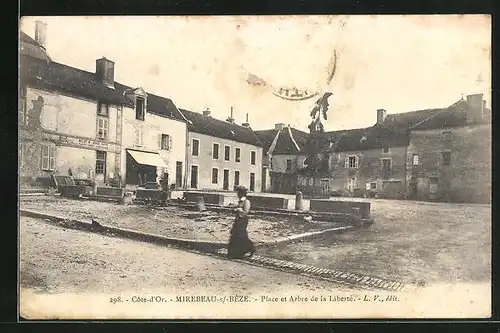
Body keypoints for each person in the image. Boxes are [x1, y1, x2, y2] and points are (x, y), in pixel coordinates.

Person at [227, 186, 255, 259]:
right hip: (238, 219)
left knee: (240, 234)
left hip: (243, 220)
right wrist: (234, 207)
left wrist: (238, 210)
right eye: (238, 193)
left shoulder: (246, 201)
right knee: (236, 234)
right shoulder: (241, 201)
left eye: (239, 193)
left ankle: (250, 248)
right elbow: (239, 208)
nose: (237, 194)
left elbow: (245, 212)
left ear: (242, 193)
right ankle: (236, 252)